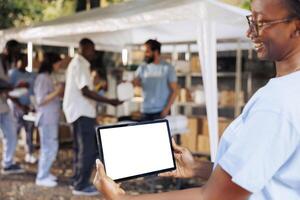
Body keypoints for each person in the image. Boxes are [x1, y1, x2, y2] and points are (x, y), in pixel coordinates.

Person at [93, 0, 300, 199]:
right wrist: (197, 167)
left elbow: (214, 196)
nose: (249, 32)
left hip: (158, 110)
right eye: (250, 21)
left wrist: (122, 198)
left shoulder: (277, 103)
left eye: (261, 22)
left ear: (296, 27)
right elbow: (259, 175)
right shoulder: (287, 91)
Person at [63, 38, 122, 196]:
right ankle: (81, 185)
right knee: (86, 150)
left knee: (79, 149)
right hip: (82, 112)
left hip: (76, 112)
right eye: (91, 49)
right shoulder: (80, 64)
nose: (93, 53)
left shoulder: (77, 63)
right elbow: (85, 91)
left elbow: (86, 89)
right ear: (83, 49)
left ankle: (77, 181)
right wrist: (109, 101)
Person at [34, 52, 64, 187]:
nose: (59, 66)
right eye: (58, 63)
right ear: (52, 63)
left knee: (51, 146)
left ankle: (45, 173)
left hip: (50, 118)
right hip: (46, 118)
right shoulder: (43, 78)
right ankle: (41, 177)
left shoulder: (47, 77)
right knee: (48, 148)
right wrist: (57, 91)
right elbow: (41, 100)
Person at [132, 39, 178, 121]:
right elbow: (135, 82)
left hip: (161, 112)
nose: (145, 54)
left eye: (147, 51)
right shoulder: (143, 67)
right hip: (145, 111)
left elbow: (174, 91)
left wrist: (166, 110)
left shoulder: (167, 68)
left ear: (156, 52)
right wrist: (129, 83)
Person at [0, 40, 24, 174]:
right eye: (14, 53)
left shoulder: (8, 63)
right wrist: (12, 87)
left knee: (11, 134)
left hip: (4, 105)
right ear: (7, 49)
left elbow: (6, 87)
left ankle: (8, 163)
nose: (15, 57)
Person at [8, 53, 37, 164]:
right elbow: (9, 93)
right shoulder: (12, 74)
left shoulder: (30, 75)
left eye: (27, 60)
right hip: (16, 108)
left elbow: (32, 92)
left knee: (29, 131)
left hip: (28, 107)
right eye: (23, 60)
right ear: (17, 61)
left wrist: (31, 106)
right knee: (14, 132)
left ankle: (29, 154)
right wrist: (20, 105)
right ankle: (10, 156)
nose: (26, 62)